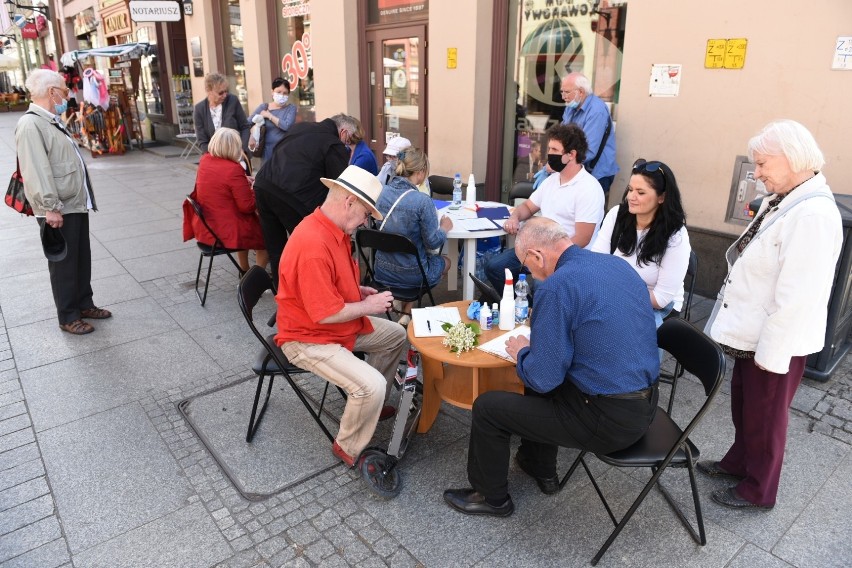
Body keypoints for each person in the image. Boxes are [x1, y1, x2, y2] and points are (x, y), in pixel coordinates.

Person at [443, 217, 659, 517]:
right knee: (542, 374)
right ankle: (540, 466)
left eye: (525, 265)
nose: (529, 273)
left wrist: (522, 352)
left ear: (537, 255)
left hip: (608, 419)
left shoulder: (558, 286)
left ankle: (491, 498)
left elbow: (543, 378)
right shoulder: (615, 266)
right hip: (645, 402)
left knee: (490, 407)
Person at [700, 120, 842, 510]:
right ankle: (739, 463)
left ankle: (758, 490)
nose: (757, 173)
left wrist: (772, 355)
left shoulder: (812, 214)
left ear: (793, 158)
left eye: (762, 164)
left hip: (776, 341)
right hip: (754, 331)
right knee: (746, 407)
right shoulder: (788, 198)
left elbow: (798, 297)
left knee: (766, 419)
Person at [275, 165, 408, 468]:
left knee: (396, 336)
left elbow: (330, 288)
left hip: (331, 326)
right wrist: (368, 306)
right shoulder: (313, 243)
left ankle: (370, 407)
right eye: (365, 214)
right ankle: (348, 446)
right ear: (349, 201)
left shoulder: (330, 228)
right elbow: (325, 314)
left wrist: (356, 290)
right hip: (306, 338)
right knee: (370, 385)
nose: (365, 221)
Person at [15, 69, 110, 335]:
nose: (67, 96)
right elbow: (36, 170)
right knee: (64, 263)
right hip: (58, 207)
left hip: (73, 202)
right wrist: (49, 208)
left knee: (80, 257)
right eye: (65, 91)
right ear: (51, 92)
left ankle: (84, 303)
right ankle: (68, 315)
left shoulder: (50, 120)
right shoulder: (31, 124)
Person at [484, 123, 604, 291]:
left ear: (571, 155)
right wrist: (515, 217)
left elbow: (583, 238)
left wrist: (549, 254)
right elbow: (527, 206)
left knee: (541, 285)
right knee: (495, 268)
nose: (549, 154)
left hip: (568, 256)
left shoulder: (589, 188)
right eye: (549, 149)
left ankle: (537, 310)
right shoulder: (551, 181)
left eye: (554, 150)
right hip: (538, 249)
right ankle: (525, 306)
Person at [253, 113, 356, 284]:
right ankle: (313, 290)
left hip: (264, 186)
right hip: (294, 197)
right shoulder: (333, 144)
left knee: (276, 248)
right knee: (310, 247)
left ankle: (283, 293)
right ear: (343, 132)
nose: (348, 145)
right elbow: (340, 186)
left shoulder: (300, 127)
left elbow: (278, 152)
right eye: (349, 140)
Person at [590, 159, 691, 327]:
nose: (631, 197)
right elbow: (596, 264)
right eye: (630, 190)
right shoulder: (617, 215)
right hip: (615, 296)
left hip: (656, 308)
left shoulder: (675, 235)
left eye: (640, 192)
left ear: (662, 197)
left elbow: (660, 299)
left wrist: (613, 289)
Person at [374, 147, 452, 324]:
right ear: (421, 172)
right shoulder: (422, 201)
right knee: (445, 262)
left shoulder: (381, 193)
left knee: (412, 255)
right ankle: (408, 309)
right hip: (412, 274)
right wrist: (444, 228)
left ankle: (406, 311)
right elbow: (433, 242)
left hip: (382, 271)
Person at [184, 128, 268, 273]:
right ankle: (255, 281)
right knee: (268, 238)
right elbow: (247, 206)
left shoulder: (205, 160)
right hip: (224, 231)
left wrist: (242, 180)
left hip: (207, 227)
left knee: (250, 228)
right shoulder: (233, 169)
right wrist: (254, 188)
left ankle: (244, 270)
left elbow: (219, 182)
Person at [560, 72, 618, 194]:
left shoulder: (597, 110)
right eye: (562, 92)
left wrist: (559, 163)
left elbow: (588, 151)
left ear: (580, 92)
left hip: (597, 173)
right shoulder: (570, 107)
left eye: (567, 92)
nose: (563, 96)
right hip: (575, 168)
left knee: (586, 212)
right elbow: (562, 138)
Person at [194, 72, 250, 153]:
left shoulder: (232, 101)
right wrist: (213, 155)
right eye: (220, 93)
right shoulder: (200, 109)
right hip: (213, 157)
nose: (225, 95)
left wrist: (242, 149)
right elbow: (202, 140)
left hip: (237, 154)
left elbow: (245, 127)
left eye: (226, 91)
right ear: (209, 91)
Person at [247, 77, 297, 164]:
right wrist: (252, 134)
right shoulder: (264, 107)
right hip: (267, 152)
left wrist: (269, 116)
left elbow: (287, 126)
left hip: (285, 152)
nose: (282, 95)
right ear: (272, 92)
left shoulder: (291, 108)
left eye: (285, 93)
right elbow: (248, 123)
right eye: (278, 92)